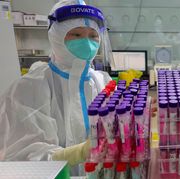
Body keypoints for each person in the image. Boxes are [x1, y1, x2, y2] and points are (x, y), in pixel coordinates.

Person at [0, 0, 112, 170]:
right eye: (76, 34)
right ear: (57, 36)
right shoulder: (29, 89)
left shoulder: (102, 81)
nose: (87, 43)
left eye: (93, 36)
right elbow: (20, 158)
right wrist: (79, 153)